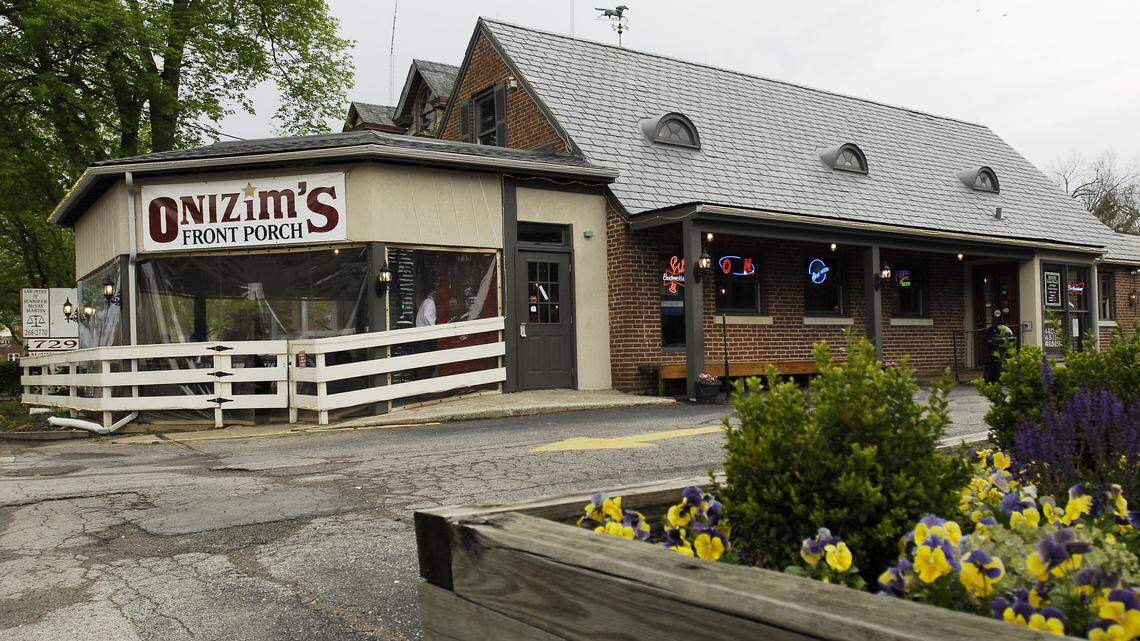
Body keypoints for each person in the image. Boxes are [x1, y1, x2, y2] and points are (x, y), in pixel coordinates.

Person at [983, 311, 1014, 383]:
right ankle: (994, 378)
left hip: (994, 349)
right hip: (993, 349)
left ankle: (992, 378)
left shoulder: (997, 329)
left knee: (995, 363)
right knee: (995, 364)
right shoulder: (993, 330)